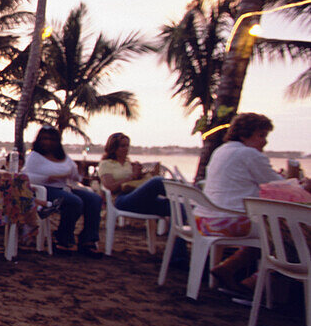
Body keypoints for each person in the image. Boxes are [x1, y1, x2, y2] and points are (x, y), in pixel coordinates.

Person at [198, 113, 311, 292]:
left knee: (275, 228)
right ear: (244, 135)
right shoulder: (248, 153)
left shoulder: (222, 150)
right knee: (289, 233)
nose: (265, 142)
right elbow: (280, 187)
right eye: (261, 135)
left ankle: (230, 268)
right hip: (229, 222)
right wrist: (303, 185)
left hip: (205, 220)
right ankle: (258, 284)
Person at [22, 125, 103, 258]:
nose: (47, 142)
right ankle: (64, 238)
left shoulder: (64, 157)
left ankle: (88, 240)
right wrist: (50, 178)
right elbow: (27, 178)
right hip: (44, 190)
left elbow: (75, 177)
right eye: (44, 139)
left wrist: (76, 172)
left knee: (94, 199)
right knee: (74, 202)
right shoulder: (34, 157)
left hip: (64, 188)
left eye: (51, 139)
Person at [97, 133, 170, 217]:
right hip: (119, 199)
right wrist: (132, 176)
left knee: (175, 206)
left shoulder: (128, 163)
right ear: (113, 147)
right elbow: (110, 187)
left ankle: (177, 228)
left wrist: (141, 174)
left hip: (135, 196)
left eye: (127, 146)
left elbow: (134, 181)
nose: (126, 149)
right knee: (157, 181)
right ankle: (182, 193)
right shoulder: (106, 164)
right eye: (122, 146)